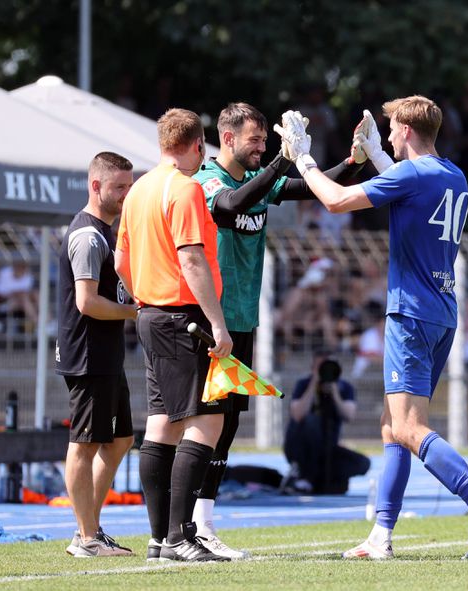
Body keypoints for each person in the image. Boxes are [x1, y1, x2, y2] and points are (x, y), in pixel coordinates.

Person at [275, 96, 468, 560]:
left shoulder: (413, 175)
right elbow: (409, 187)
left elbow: (336, 200)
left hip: (411, 312)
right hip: (442, 311)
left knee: (408, 427)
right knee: (391, 426)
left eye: (390, 130)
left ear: (404, 129)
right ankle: (380, 536)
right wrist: (377, 154)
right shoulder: (453, 175)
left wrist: (302, 156)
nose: (388, 136)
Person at [190, 102, 365, 558]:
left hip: (243, 321)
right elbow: (231, 205)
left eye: (267, 141)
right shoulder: (209, 180)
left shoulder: (257, 181)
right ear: (227, 139)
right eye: (256, 140)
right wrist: (279, 161)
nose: (262, 147)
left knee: (226, 425)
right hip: (212, 322)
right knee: (204, 423)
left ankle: (202, 524)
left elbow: (310, 188)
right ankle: (183, 525)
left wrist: (353, 162)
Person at [115, 108, 232, 563]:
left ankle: (160, 538)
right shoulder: (185, 189)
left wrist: (144, 294)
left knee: (161, 423)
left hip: (150, 314)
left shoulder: (139, 189)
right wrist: (216, 323)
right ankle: (180, 537)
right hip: (183, 317)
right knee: (207, 420)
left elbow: (121, 259)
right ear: (198, 146)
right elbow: (192, 260)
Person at [56, 152, 138, 557]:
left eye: (129, 186)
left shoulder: (107, 231)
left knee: (121, 439)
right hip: (88, 353)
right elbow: (87, 302)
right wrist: (135, 312)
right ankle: (86, 537)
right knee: (84, 445)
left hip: (106, 352)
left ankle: (89, 527)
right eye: (119, 187)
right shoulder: (87, 235)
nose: (126, 194)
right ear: (96, 186)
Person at [284, 351, 370, 494]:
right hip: (300, 447)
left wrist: (335, 392)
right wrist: (314, 384)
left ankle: (317, 479)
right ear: (313, 368)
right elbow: (298, 415)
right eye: (321, 367)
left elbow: (349, 415)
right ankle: (305, 476)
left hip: (328, 448)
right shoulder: (304, 384)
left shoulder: (344, 388)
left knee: (362, 463)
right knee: (312, 420)